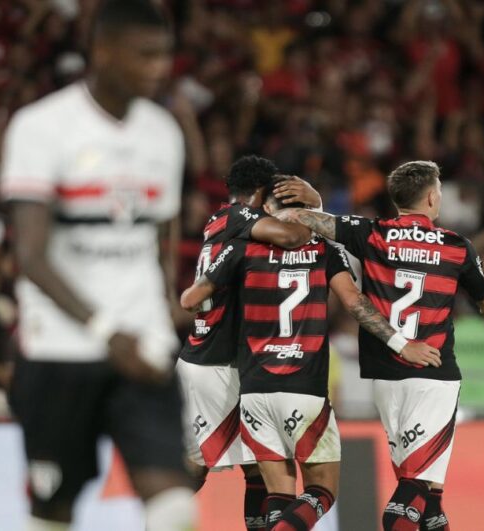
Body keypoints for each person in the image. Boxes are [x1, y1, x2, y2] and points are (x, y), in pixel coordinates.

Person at [0, 1, 193, 529]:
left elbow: (157, 239)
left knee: (175, 507)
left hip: (142, 347)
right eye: (145, 55)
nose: (159, 68)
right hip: (61, 348)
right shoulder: (42, 127)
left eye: (165, 55)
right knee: (53, 512)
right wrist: (106, 332)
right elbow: (30, 257)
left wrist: (162, 315)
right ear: (103, 53)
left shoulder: (163, 134)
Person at [179, 176, 441, 530]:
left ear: (267, 210)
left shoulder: (242, 248)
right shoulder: (325, 250)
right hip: (304, 387)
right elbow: (355, 303)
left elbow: (191, 299)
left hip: (255, 388)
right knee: (321, 490)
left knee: (277, 494)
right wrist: (400, 344)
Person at [274, 161, 484, 531]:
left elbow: (314, 223)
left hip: (385, 378)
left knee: (430, 499)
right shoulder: (456, 247)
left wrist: (308, 204)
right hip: (432, 377)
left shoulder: (370, 233)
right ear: (434, 198)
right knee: (413, 491)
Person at [176, 155, 319, 530]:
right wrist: (314, 204)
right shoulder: (243, 219)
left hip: (219, 358)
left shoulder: (219, 219)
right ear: (261, 193)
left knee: (259, 465)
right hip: (215, 365)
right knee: (194, 468)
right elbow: (294, 236)